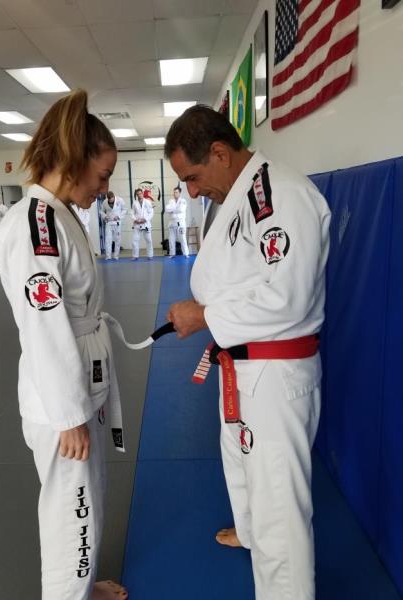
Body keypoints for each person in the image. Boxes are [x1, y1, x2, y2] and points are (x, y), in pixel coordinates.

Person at [165, 105, 331, 600]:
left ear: (220, 153)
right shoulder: (241, 192)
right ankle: (250, 531)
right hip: (241, 363)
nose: (191, 192)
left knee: (279, 507)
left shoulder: (279, 195)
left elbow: (288, 295)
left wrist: (205, 316)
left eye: (192, 178)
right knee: (241, 464)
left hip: (274, 374)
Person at [0, 89, 128, 600]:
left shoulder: (58, 214)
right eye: (103, 175)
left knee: (83, 500)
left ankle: (82, 587)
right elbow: (43, 326)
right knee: (74, 513)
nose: (105, 188)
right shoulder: (36, 226)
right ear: (74, 160)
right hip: (61, 400)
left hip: (77, 385)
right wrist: (70, 415)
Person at [100, 191, 126, 260]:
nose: (111, 200)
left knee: (117, 239)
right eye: (109, 199)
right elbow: (101, 211)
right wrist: (105, 216)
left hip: (117, 222)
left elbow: (124, 210)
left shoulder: (120, 200)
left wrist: (119, 216)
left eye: (112, 199)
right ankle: (108, 256)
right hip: (109, 222)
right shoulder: (105, 202)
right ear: (107, 198)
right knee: (108, 240)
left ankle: (116, 256)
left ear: (114, 197)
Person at [165, 186, 189, 258]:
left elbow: (181, 210)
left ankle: (186, 254)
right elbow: (167, 209)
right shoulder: (171, 201)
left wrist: (172, 210)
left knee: (182, 238)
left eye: (176, 192)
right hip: (172, 222)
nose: (175, 194)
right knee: (171, 239)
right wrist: (175, 209)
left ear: (179, 193)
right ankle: (172, 254)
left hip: (180, 222)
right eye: (174, 192)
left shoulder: (183, 201)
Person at [131, 187, 153, 260]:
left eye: (140, 193)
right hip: (137, 224)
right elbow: (132, 213)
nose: (139, 195)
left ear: (142, 193)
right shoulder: (135, 203)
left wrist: (146, 219)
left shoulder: (147, 202)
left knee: (149, 240)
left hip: (146, 223)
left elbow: (151, 212)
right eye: (138, 194)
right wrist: (135, 219)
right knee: (135, 240)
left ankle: (150, 255)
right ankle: (135, 256)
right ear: (136, 195)